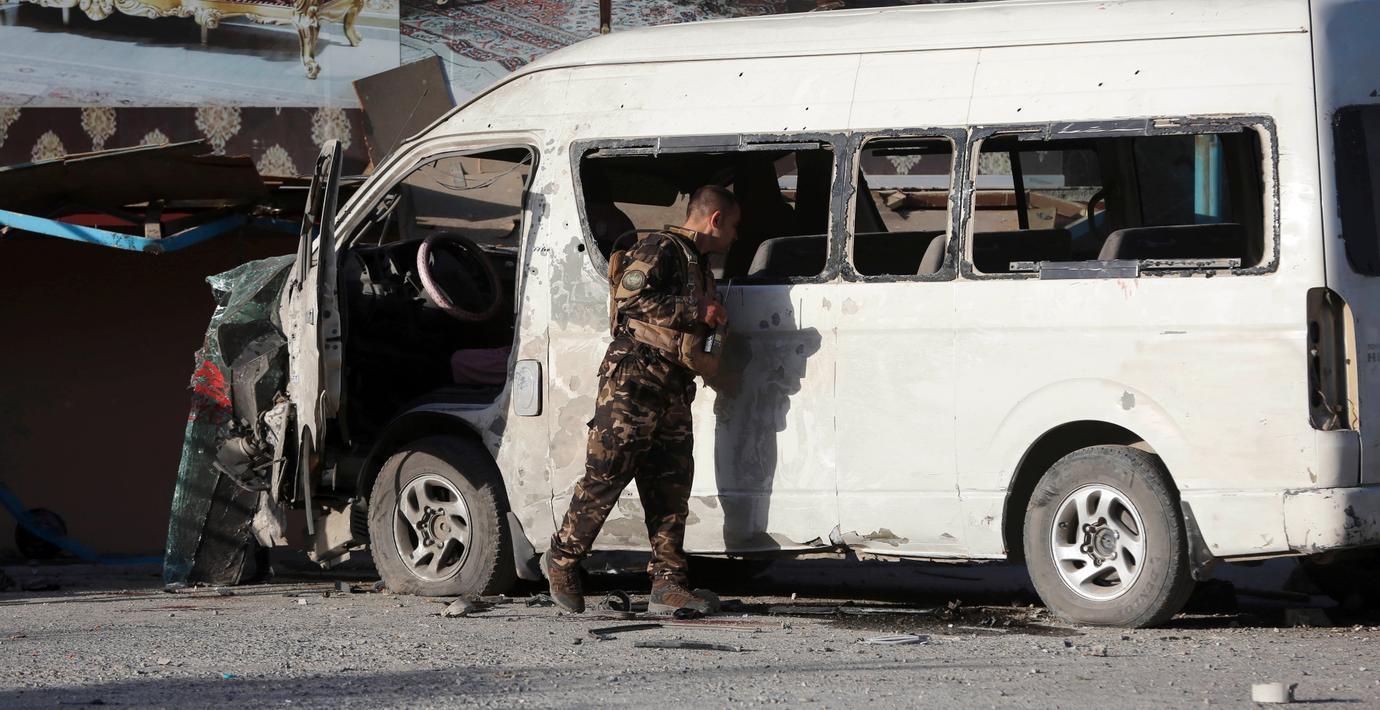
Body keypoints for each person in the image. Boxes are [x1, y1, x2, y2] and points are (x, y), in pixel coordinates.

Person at [543, 185, 739, 614]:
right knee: (608, 473)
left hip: (673, 385)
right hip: (634, 379)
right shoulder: (660, 248)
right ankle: (562, 559)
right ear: (716, 220)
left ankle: (668, 583)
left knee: (671, 487)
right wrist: (697, 311)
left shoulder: (699, 266)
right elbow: (631, 298)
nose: (735, 236)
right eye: (734, 226)